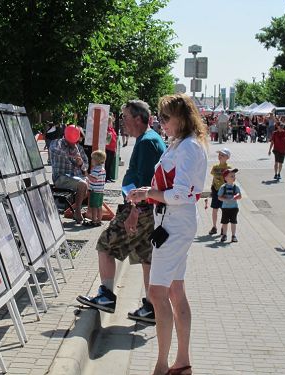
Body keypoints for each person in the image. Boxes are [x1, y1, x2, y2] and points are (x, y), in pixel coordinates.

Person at [127, 93, 207, 375]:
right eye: (161, 117)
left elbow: (182, 193)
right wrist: (147, 196)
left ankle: (163, 366)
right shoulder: (181, 144)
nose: (162, 123)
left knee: (157, 292)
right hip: (172, 222)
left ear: (181, 119)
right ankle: (180, 362)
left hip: (175, 223)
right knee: (174, 291)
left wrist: (148, 193)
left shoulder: (188, 147)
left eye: (165, 117)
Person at [76, 99, 166, 324]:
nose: (121, 121)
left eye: (125, 117)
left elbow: (145, 182)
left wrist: (134, 211)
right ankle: (151, 306)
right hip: (150, 209)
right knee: (146, 256)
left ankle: (106, 296)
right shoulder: (148, 139)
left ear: (138, 118)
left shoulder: (147, 142)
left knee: (105, 244)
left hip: (141, 208)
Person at [49, 125, 89, 223]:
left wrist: (81, 164)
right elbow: (56, 151)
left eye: (76, 141)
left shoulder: (78, 148)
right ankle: (77, 212)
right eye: (73, 141)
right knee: (83, 184)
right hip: (61, 178)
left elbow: (86, 166)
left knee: (90, 184)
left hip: (75, 178)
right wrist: (72, 153)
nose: (75, 143)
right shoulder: (57, 143)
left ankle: (78, 209)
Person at [208, 148, 232, 236]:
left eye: (222, 155)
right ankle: (214, 227)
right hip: (215, 191)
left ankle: (223, 227)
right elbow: (214, 178)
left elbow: (231, 181)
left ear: (227, 157)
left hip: (224, 192)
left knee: (224, 210)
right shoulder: (215, 167)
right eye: (219, 155)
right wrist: (212, 189)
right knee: (215, 209)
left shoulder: (229, 168)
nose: (220, 156)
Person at [218, 168, 242, 243]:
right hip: (225, 208)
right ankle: (224, 235)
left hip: (234, 207)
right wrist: (224, 199)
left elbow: (240, 196)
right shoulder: (223, 187)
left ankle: (233, 235)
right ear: (226, 178)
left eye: (234, 176)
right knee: (225, 222)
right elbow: (219, 197)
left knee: (233, 222)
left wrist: (236, 197)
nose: (234, 177)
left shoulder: (236, 187)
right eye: (231, 176)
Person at [84, 150, 107, 227]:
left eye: (92, 159)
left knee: (94, 206)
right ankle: (99, 220)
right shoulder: (102, 169)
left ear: (96, 160)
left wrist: (87, 174)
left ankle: (94, 221)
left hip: (94, 191)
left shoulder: (96, 170)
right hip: (100, 191)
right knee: (99, 206)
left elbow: (93, 179)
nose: (91, 160)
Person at [105, 116, 117, 182]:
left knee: (110, 164)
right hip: (108, 148)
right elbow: (107, 139)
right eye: (110, 121)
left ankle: (109, 177)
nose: (111, 122)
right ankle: (106, 178)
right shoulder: (107, 129)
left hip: (112, 148)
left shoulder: (112, 129)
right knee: (107, 163)